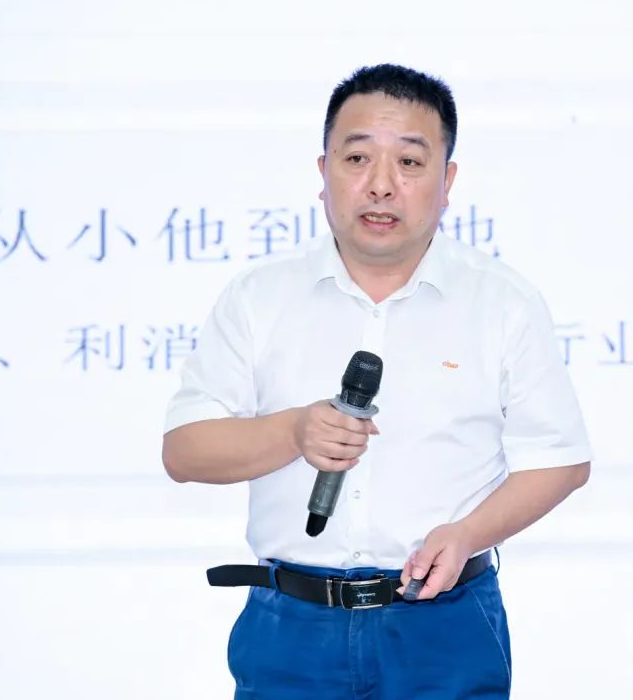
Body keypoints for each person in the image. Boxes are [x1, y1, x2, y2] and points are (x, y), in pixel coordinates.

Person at [162, 63, 593, 700]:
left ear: (447, 182)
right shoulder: (259, 298)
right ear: (323, 172)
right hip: (292, 629)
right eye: (358, 158)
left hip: (442, 621)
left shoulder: (502, 302)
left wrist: (467, 535)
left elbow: (561, 460)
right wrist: (294, 431)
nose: (382, 185)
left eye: (410, 163)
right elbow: (184, 451)